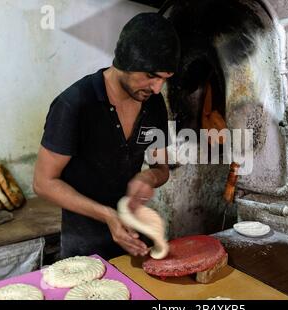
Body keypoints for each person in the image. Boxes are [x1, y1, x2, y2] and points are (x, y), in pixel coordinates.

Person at [33, 13, 181, 260]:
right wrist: (107, 215)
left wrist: (149, 176)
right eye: (151, 76)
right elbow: (43, 183)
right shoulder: (75, 105)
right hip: (83, 243)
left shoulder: (153, 105)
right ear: (125, 63)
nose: (157, 89)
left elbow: (161, 168)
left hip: (133, 235)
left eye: (165, 79)